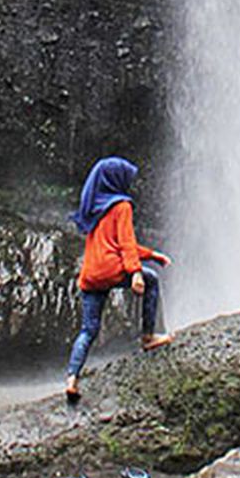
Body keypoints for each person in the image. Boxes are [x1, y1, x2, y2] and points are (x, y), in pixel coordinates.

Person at [64, 156, 172, 402]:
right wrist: (136, 272)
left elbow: (115, 243)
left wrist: (152, 254)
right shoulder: (122, 206)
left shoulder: (94, 209)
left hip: (90, 275)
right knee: (152, 279)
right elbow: (125, 244)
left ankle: (72, 379)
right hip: (111, 269)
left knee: (88, 330)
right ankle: (148, 336)